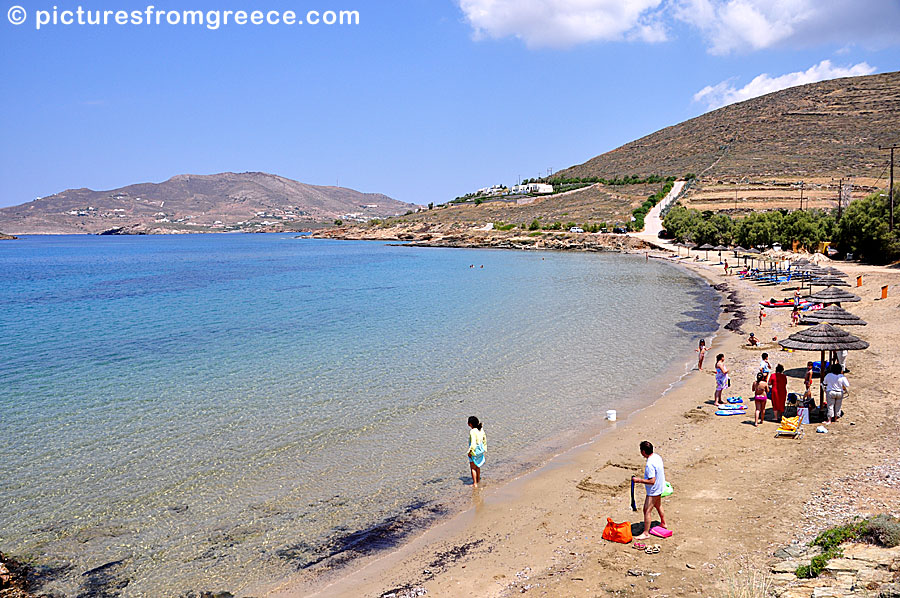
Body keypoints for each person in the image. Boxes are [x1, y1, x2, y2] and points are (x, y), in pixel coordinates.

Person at [632, 441, 667, 540]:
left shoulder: (649, 464)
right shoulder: (657, 457)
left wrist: (638, 480)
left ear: (643, 452)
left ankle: (646, 533)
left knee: (646, 510)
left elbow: (652, 481)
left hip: (654, 490)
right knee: (658, 505)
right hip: (660, 486)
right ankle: (663, 523)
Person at [467, 416, 486, 487]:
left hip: (474, 451)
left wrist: (470, 452)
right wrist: (484, 448)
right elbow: (484, 439)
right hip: (480, 450)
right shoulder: (480, 429)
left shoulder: (472, 431)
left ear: (470, 424)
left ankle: (475, 483)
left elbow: (473, 443)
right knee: (478, 465)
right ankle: (478, 480)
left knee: (473, 467)